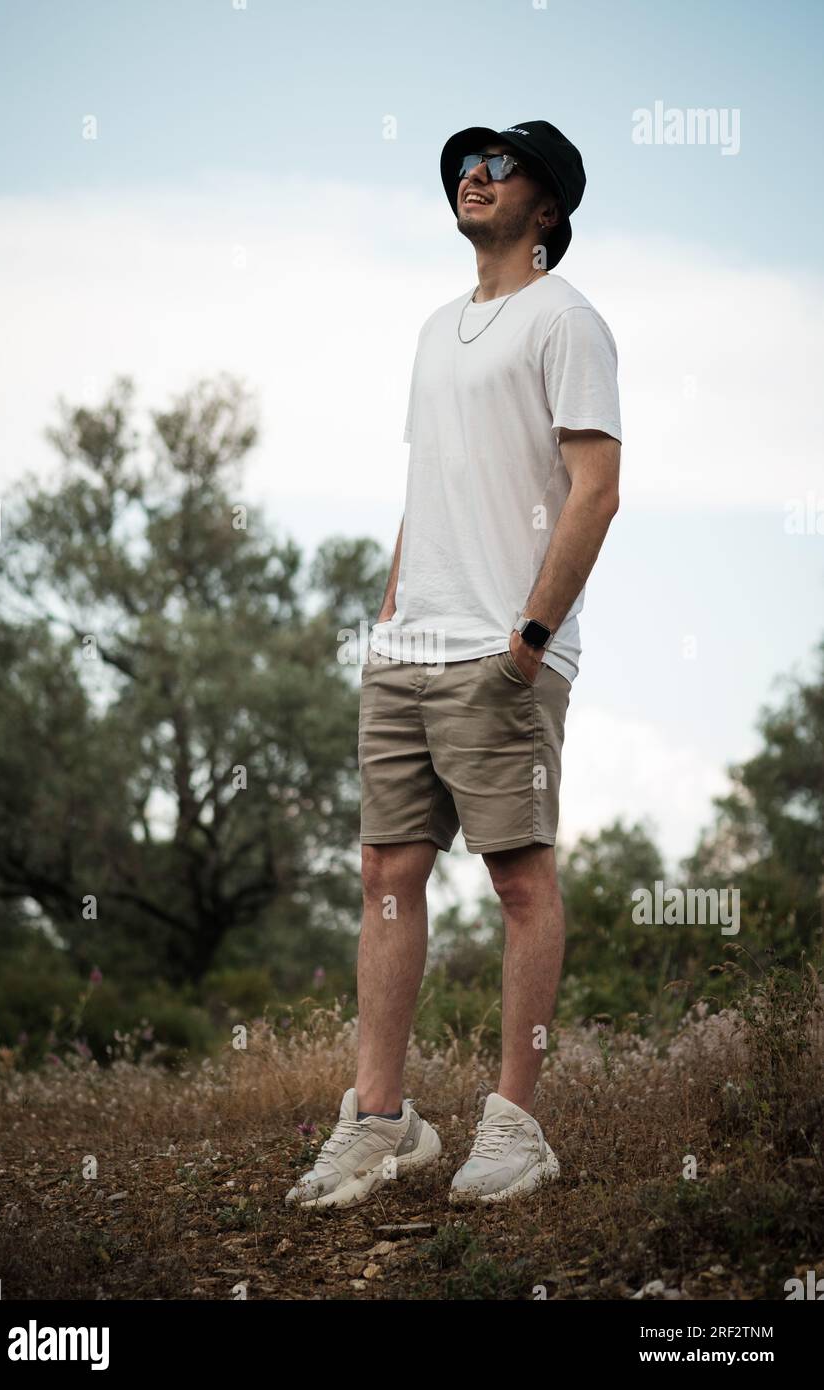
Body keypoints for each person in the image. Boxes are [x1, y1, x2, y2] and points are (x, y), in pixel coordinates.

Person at [286, 120, 622, 1210]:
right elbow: (424, 489)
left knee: (518, 879)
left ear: (548, 209)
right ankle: (381, 1120)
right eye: (465, 166)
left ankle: (515, 1127)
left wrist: (528, 637)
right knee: (387, 874)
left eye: (499, 166)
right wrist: (388, 618)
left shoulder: (566, 320)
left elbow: (596, 488)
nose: (474, 176)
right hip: (408, 647)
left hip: (501, 651)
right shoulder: (435, 330)